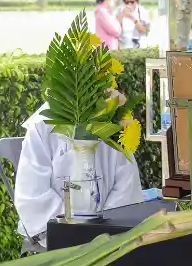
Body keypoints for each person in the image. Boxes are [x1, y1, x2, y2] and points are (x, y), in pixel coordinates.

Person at [14, 104, 143, 248]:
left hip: (112, 241)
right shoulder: (42, 125)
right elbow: (33, 196)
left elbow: (127, 188)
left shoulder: (115, 123)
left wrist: (104, 232)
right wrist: (75, 234)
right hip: (56, 243)